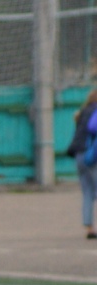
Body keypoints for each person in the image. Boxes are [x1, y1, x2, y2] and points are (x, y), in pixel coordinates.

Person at [66, 88, 97, 239]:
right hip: (92, 156)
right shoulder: (95, 113)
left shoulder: (83, 112)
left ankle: (89, 228)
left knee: (87, 192)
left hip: (79, 155)